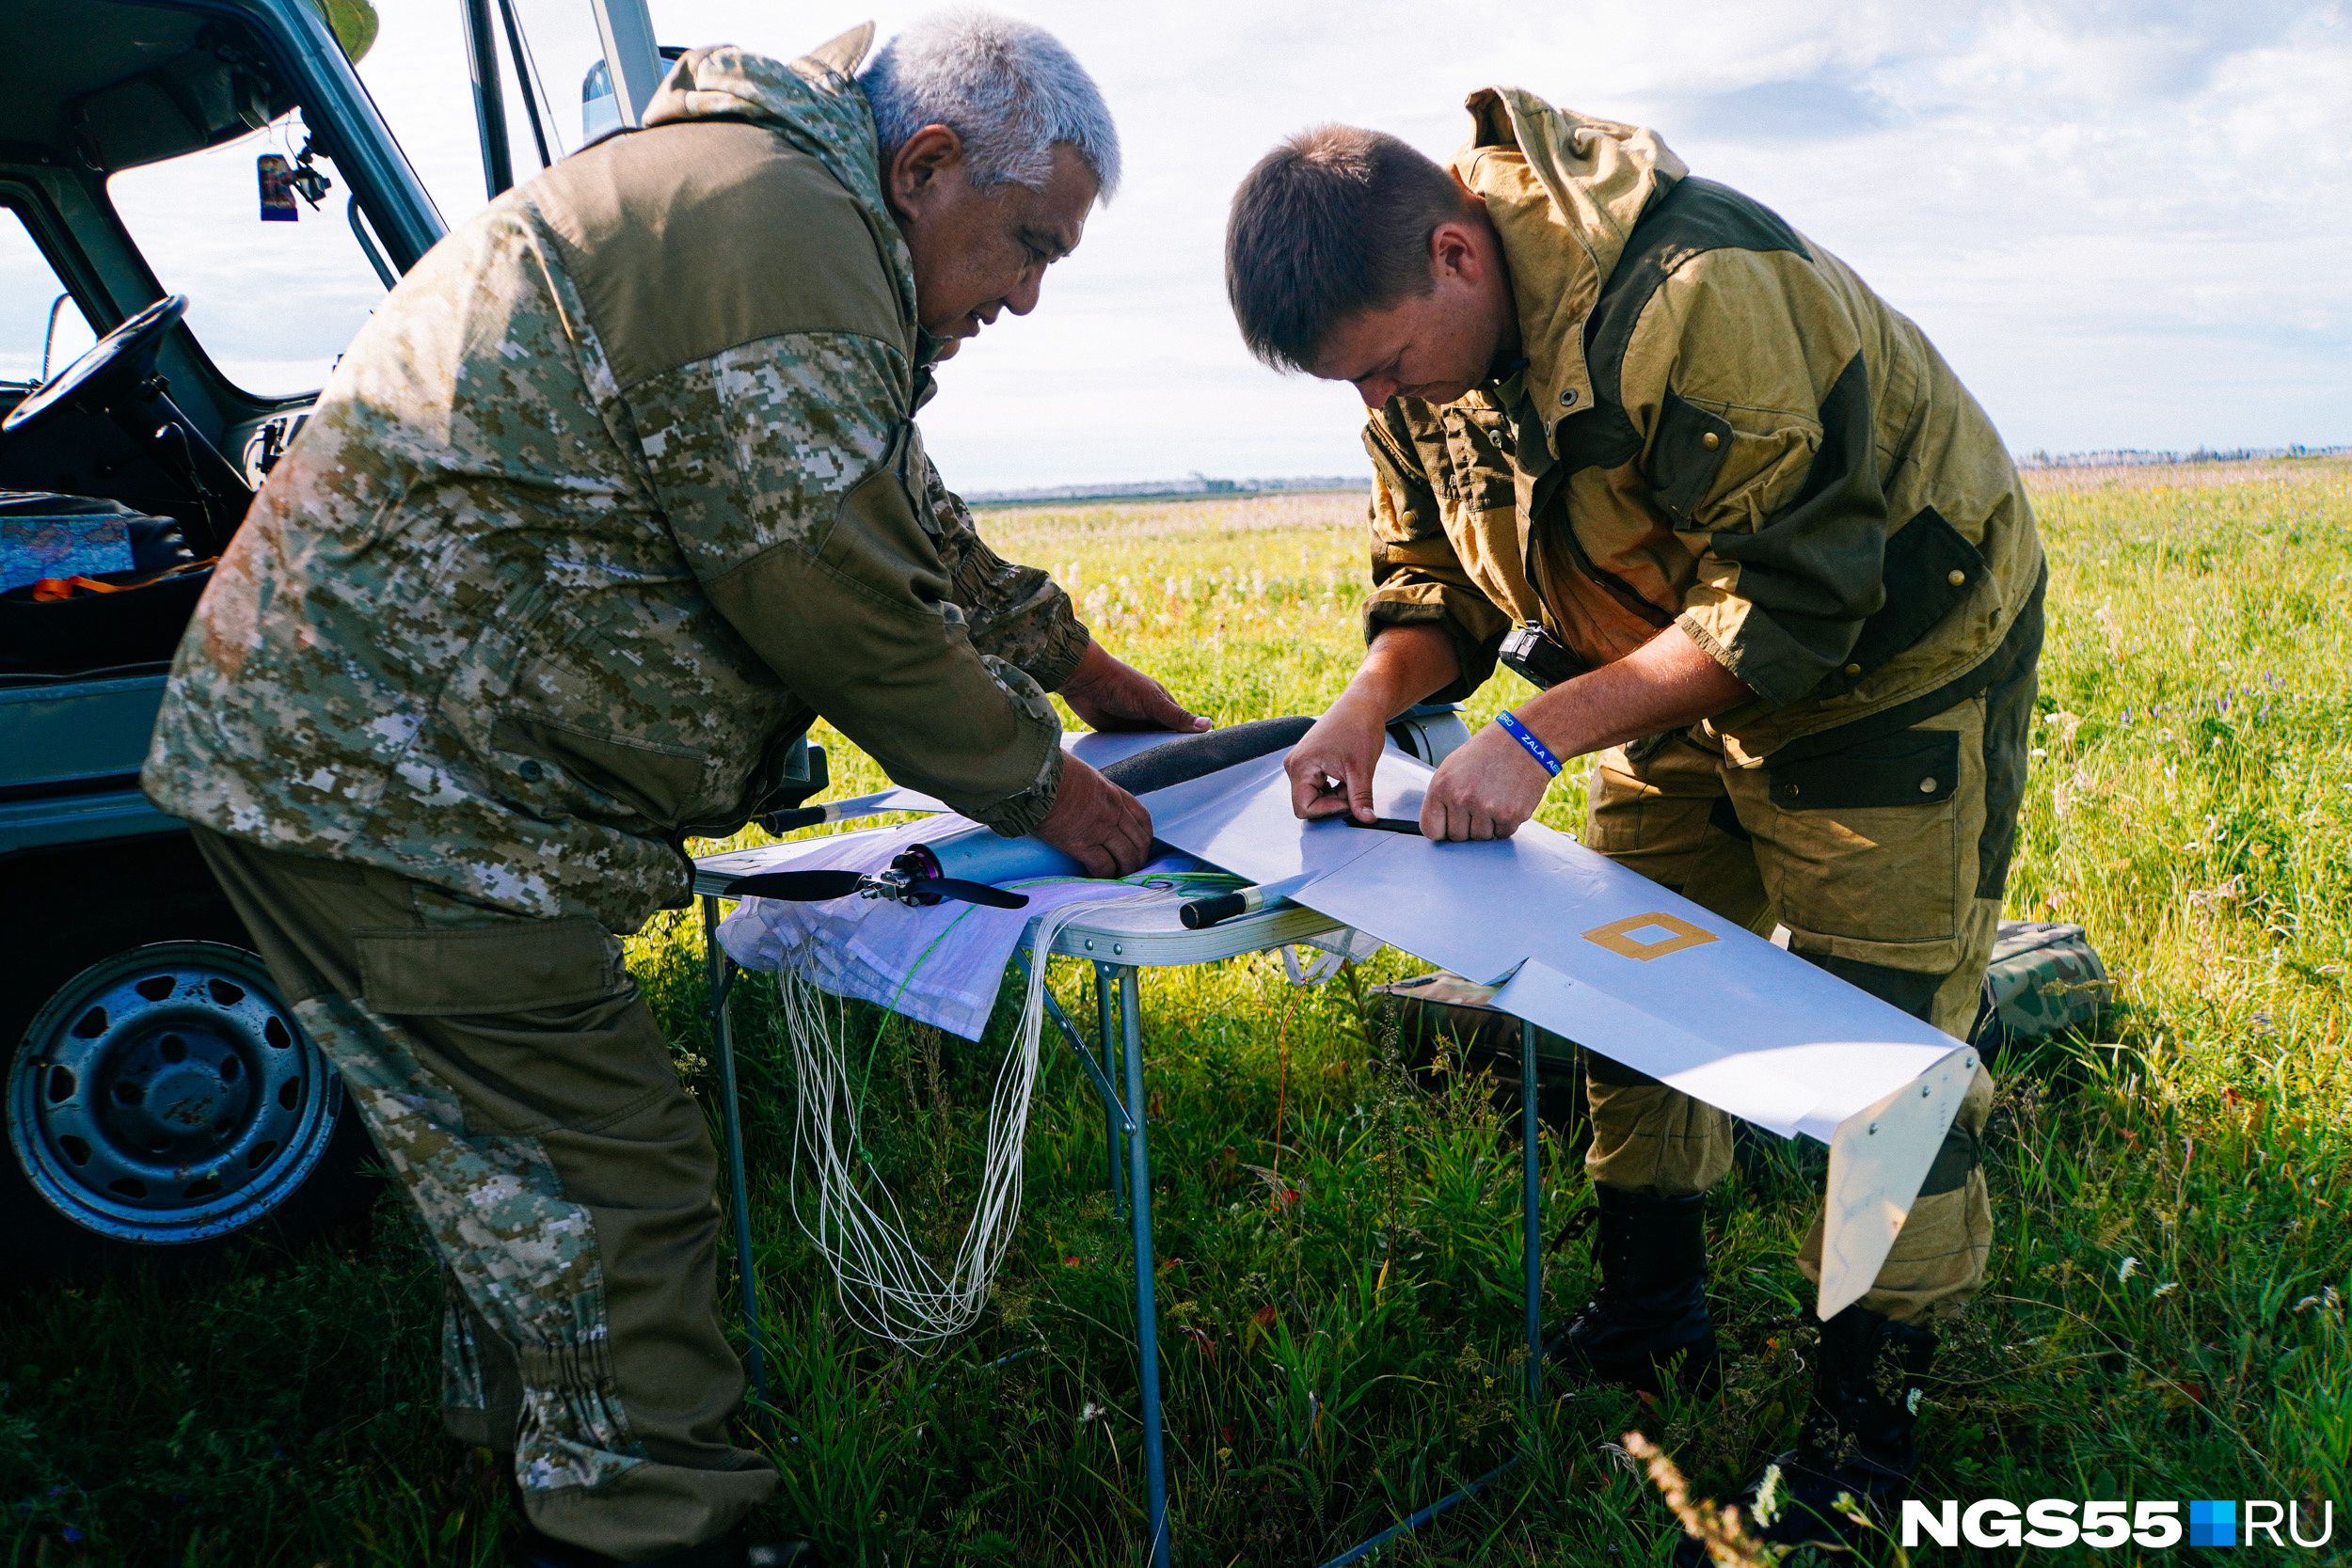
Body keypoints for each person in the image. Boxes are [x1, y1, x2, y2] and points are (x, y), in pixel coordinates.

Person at [143, 15, 1202, 1567]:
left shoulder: (766, 211)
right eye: (1024, 242)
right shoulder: (775, 228)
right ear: (924, 169)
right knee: (610, 1179)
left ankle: (528, 1473)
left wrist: (1078, 663)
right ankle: (652, 1535)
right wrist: (1050, 786)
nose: (1026, 296)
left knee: (513, 1165)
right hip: (407, 789)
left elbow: (892, 506)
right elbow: (831, 581)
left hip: (378, 764)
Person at [1224, 94, 2042, 1554]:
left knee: (1885, 1054)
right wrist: (1359, 706)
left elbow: (1793, 599)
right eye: (1353, 386)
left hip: (1884, 672)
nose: (1382, 408)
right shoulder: (1413, 370)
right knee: (1630, 983)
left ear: (1456, 255)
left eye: (1389, 366)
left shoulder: (1694, 293)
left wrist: (1537, 734)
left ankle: (1866, 1430)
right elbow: (1439, 582)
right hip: (1644, 669)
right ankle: (1656, 1314)